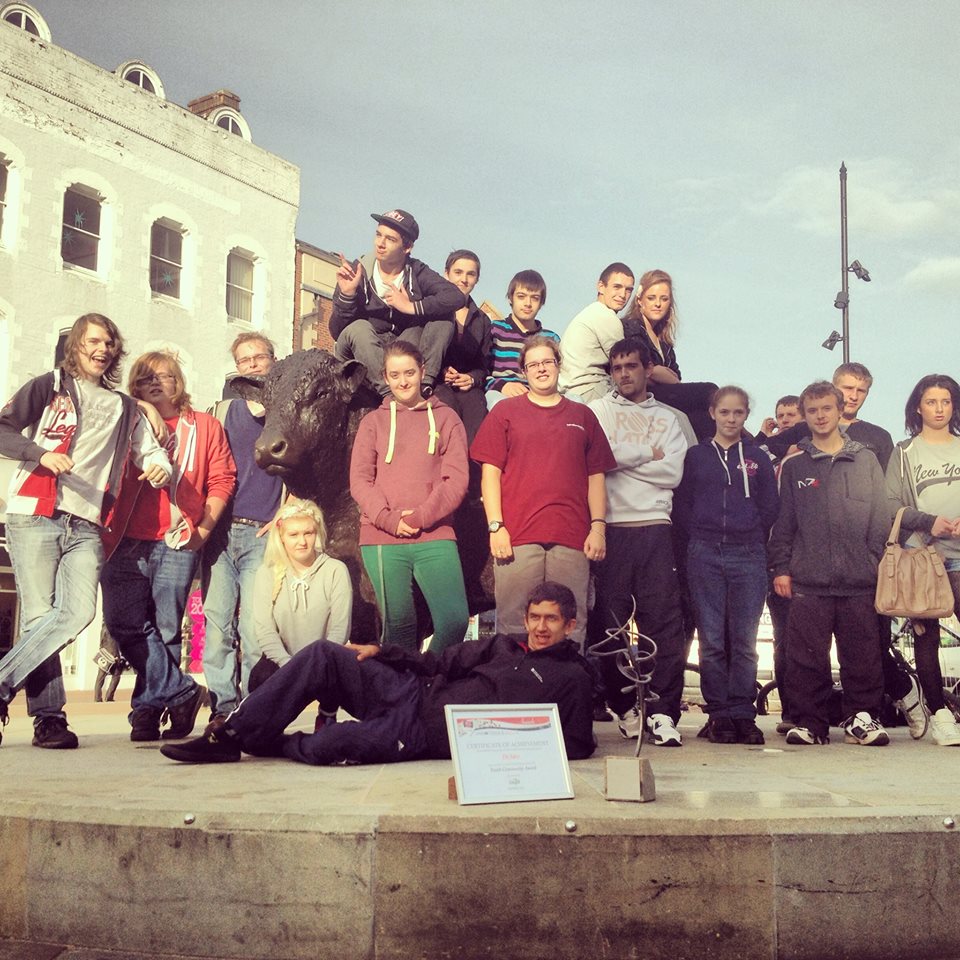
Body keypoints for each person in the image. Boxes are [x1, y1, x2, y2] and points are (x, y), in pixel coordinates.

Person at [158, 581, 596, 766]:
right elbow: (438, 662)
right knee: (325, 654)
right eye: (535, 617)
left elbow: (577, 745)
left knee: (331, 745)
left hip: (423, 736)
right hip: (411, 690)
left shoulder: (571, 678)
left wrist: (506, 747)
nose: (540, 627)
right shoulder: (503, 644)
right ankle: (231, 736)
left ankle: (268, 741)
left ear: (570, 625)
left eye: (551, 620)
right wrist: (383, 652)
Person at [0, 313, 171, 748]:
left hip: (88, 523)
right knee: (39, 619)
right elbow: (2, 429)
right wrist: (39, 454)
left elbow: (151, 451)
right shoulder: (49, 386)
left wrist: (160, 467)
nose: (102, 349)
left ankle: (3, 683)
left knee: (77, 613)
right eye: (93, 341)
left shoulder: (125, 407)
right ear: (76, 345)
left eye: (109, 343)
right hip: (35, 512)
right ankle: (50, 720)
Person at [100, 352, 236, 742]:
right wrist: (140, 408)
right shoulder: (124, 419)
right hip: (123, 538)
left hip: (176, 537)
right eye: (146, 378)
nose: (156, 383)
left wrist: (204, 529)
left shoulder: (205, 426)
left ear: (179, 382)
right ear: (134, 387)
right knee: (123, 622)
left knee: (166, 628)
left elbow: (223, 478)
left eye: (165, 376)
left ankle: (149, 710)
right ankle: (182, 693)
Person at [471, 336, 615, 649]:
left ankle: (567, 683)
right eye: (533, 364)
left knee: (570, 627)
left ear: (558, 365)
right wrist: (495, 527)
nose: (541, 369)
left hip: (572, 537)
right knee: (513, 626)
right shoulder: (505, 412)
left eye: (547, 362)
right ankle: (516, 682)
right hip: (517, 537)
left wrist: (598, 528)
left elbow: (596, 477)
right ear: (524, 371)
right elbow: (490, 475)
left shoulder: (582, 415)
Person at [768, 381, 890, 747]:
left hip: (859, 580)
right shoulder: (795, 466)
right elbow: (784, 522)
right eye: (813, 410)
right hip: (809, 581)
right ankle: (811, 723)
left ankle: (862, 718)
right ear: (804, 417)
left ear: (840, 411)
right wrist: (781, 568)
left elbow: (880, 518)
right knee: (805, 658)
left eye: (826, 408)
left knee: (863, 655)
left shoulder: (866, 460)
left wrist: (872, 560)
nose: (820, 416)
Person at [587, 337, 690, 746]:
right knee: (610, 626)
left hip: (655, 527)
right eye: (617, 368)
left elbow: (673, 474)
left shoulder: (669, 418)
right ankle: (626, 707)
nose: (624, 374)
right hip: (611, 527)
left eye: (631, 366)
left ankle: (663, 713)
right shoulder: (598, 410)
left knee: (662, 624)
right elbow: (598, 459)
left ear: (648, 369)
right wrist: (648, 452)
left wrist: (621, 460)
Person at [349, 340, 469, 653]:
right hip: (382, 536)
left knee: (454, 621)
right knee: (399, 627)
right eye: (395, 375)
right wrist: (388, 519)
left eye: (409, 373)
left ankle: (426, 676)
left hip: (434, 532)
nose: (403, 381)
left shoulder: (446, 419)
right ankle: (403, 684)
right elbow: (360, 480)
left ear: (422, 371)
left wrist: (420, 517)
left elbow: (456, 480)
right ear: (385, 377)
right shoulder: (373, 422)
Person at [675, 386, 779, 745]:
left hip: (748, 553)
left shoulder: (757, 457)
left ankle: (743, 714)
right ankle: (719, 714)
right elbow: (683, 502)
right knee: (712, 639)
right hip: (704, 552)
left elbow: (770, 505)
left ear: (746, 415)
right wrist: (700, 531)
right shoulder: (696, 456)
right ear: (713, 413)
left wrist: (750, 530)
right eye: (725, 412)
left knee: (745, 640)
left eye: (738, 413)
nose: (731, 419)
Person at [201, 333, 284, 722]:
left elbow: (304, 473)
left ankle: (252, 711)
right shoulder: (221, 413)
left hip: (262, 535)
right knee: (217, 627)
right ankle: (222, 708)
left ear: (273, 360)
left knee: (254, 631)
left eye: (258, 357)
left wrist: (286, 512)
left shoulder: (286, 414)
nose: (252, 364)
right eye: (244, 359)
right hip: (219, 533)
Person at [885, 374, 960, 746]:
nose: (939, 409)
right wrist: (930, 522)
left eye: (946, 401)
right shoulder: (905, 452)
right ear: (918, 407)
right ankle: (940, 715)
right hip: (923, 557)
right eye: (931, 402)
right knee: (926, 638)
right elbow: (891, 503)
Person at [331, 209, 464, 396]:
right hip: (363, 350)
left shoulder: (416, 271)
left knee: (444, 314)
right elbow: (337, 332)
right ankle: (391, 397)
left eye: (390, 239)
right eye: (378, 235)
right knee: (359, 328)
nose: (380, 243)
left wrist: (410, 307)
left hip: (399, 348)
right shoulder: (357, 271)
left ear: (407, 247)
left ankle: (424, 384)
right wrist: (347, 295)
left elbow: (455, 296)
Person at [252, 498, 353, 670]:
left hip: (326, 664)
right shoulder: (266, 573)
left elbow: (340, 629)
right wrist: (290, 667)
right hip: (282, 666)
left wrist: (316, 667)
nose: (302, 542)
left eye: (308, 533)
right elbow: (265, 631)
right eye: (293, 535)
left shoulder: (336, 570)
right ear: (281, 537)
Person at [621, 269, 717, 440]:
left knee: (702, 417)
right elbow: (639, 368)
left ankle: (730, 450)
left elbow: (675, 375)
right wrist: (655, 372)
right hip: (646, 395)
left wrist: (660, 374)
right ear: (640, 300)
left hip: (667, 394)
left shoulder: (663, 340)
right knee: (710, 391)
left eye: (664, 299)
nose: (658, 304)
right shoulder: (631, 327)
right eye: (651, 298)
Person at [430, 249, 491, 445]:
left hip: (468, 388)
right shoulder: (432, 309)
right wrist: (441, 371)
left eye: (470, 274)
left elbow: (484, 366)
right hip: (436, 383)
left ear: (477, 279)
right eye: (458, 272)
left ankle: (471, 464)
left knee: (477, 409)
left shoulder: (482, 320)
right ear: (446, 273)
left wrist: (472, 378)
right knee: (446, 410)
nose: (464, 279)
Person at [558, 263, 635, 402]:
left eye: (628, 290)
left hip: (571, 393)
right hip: (591, 390)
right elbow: (626, 363)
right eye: (617, 287)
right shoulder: (605, 316)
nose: (623, 295)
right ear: (601, 287)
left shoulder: (590, 313)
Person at [484, 270, 559, 409]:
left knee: (576, 400)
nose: (528, 303)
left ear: (541, 303)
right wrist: (502, 386)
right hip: (502, 392)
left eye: (534, 298)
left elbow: (560, 376)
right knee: (498, 404)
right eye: (521, 296)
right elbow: (481, 372)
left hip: (540, 395)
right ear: (510, 298)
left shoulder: (551, 338)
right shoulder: (494, 330)